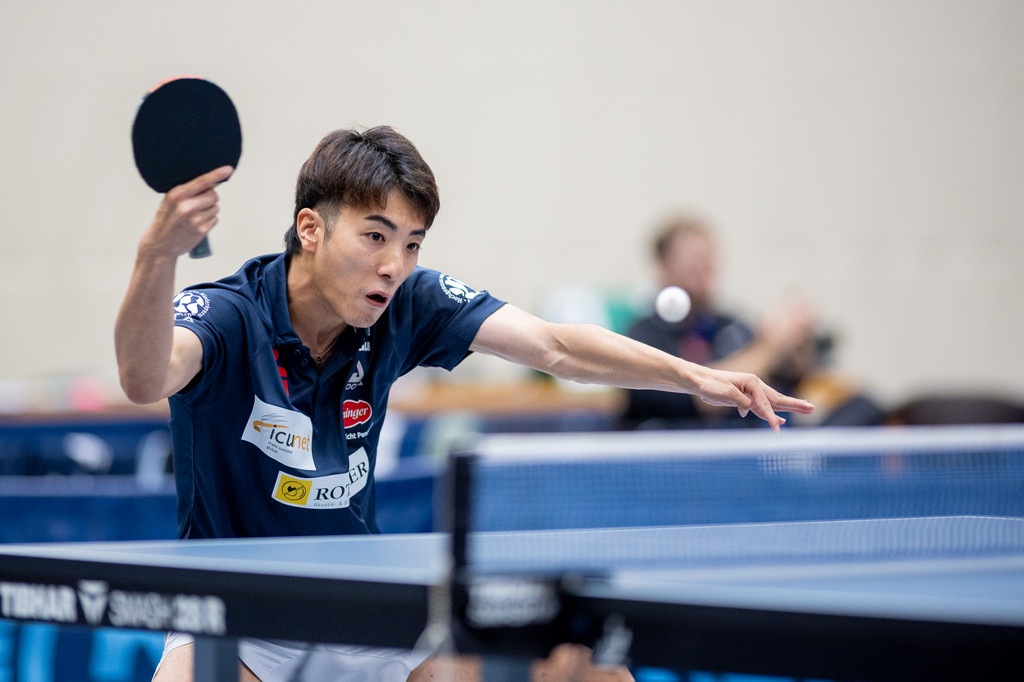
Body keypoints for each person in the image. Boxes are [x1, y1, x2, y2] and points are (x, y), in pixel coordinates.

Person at [115, 127, 813, 682]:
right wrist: (156, 256)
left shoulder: (406, 303)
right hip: (238, 616)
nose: (394, 265)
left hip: (362, 605)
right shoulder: (227, 315)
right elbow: (145, 378)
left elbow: (555, 347)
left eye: (412, 244)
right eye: (375, 236)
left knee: (587, 667)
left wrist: (697, 377)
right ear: (310, 229)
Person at [622, 213, 877, 429]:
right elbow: (698, 398)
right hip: (691, 453)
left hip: (758, 442)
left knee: (864, 406)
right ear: (664, 264)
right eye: (693, 259)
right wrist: (769, 346)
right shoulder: (644, 335)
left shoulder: (732, 323)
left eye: (708, 259)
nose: (704, 268)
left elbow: (789, 377)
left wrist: (794, 340)